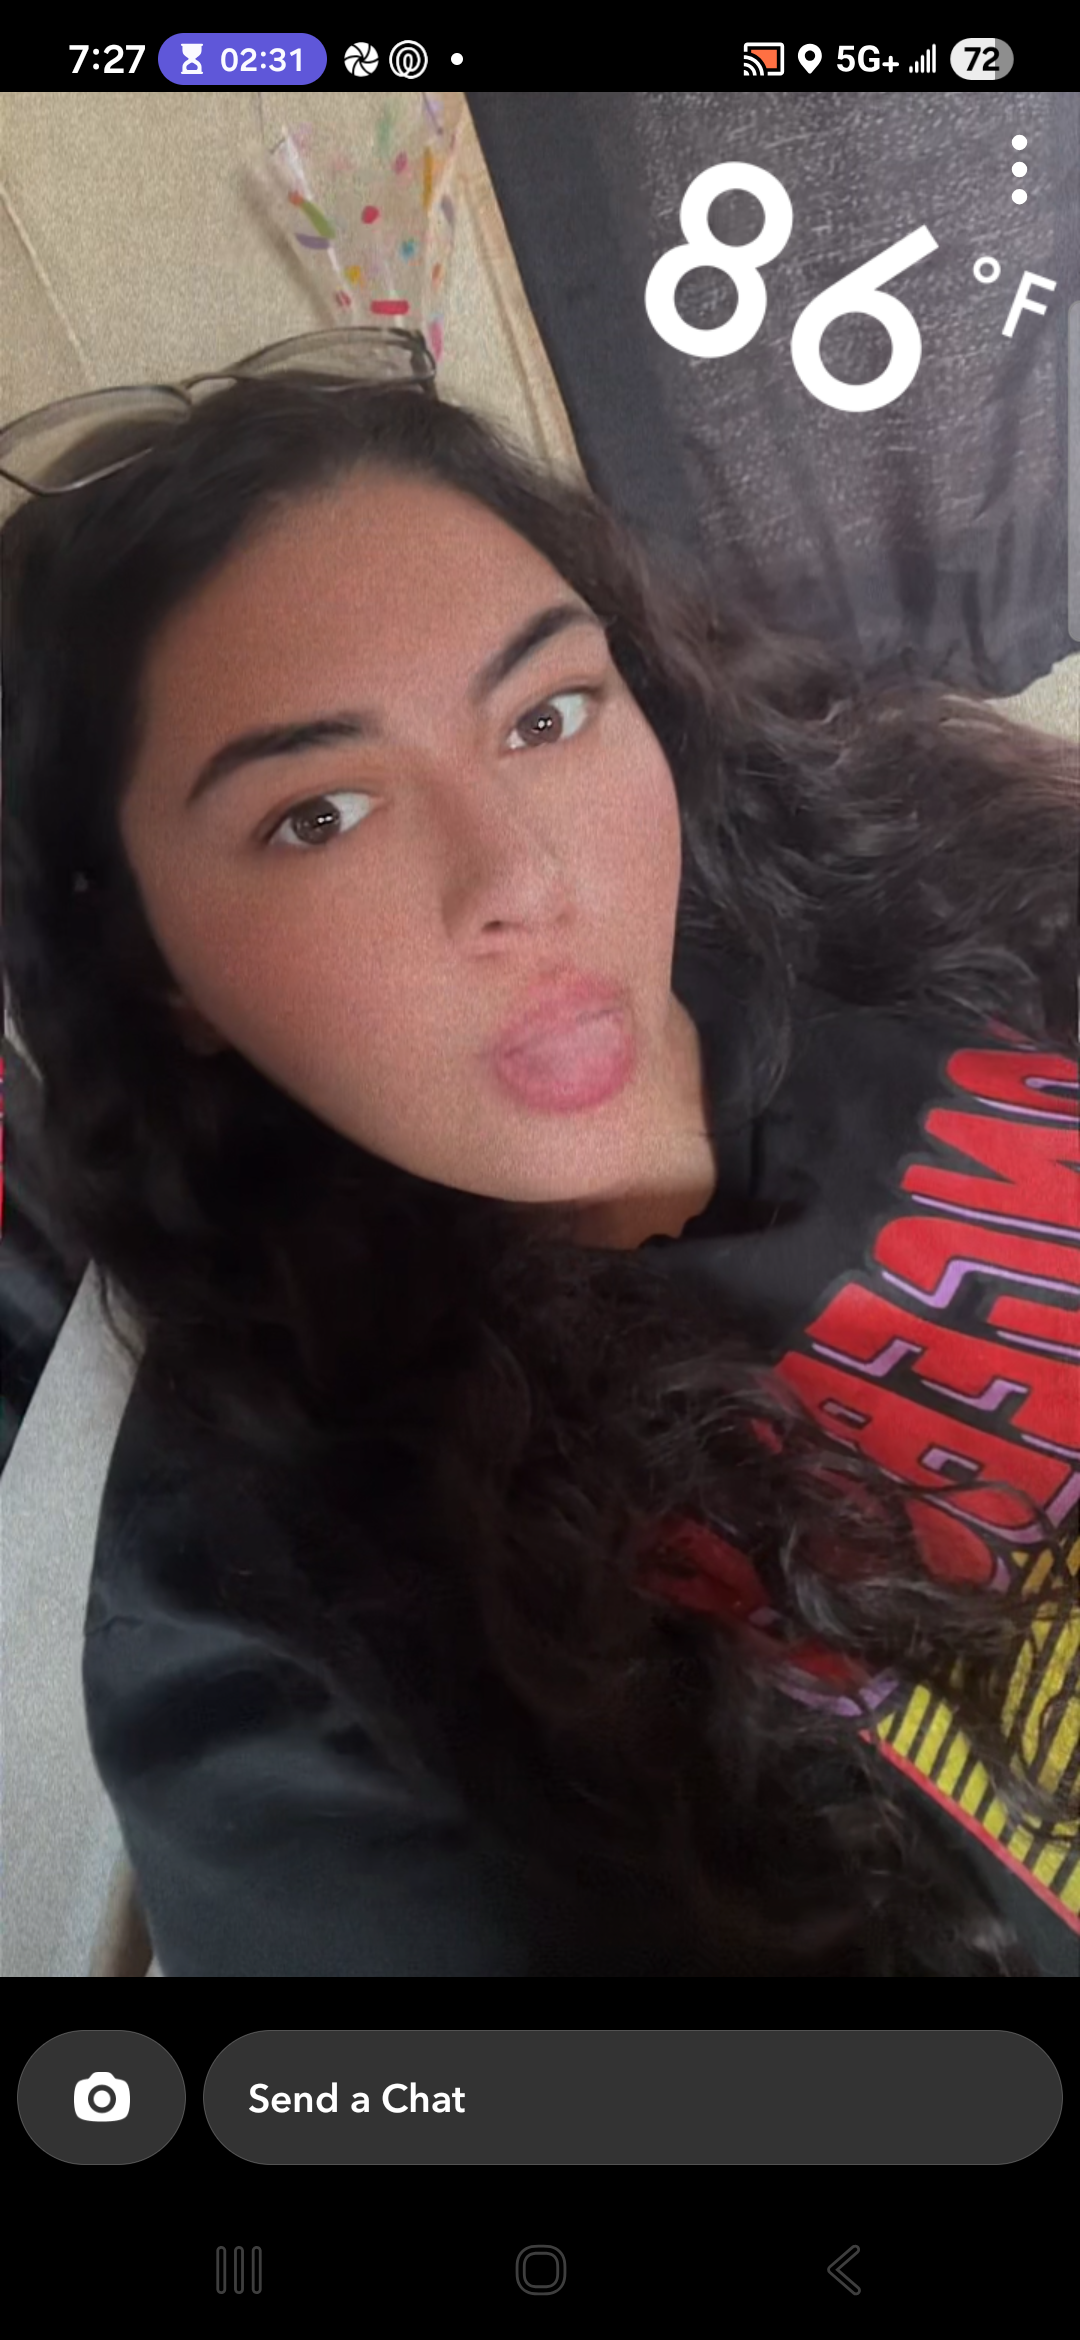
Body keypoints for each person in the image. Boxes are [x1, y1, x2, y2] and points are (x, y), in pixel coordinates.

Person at [3, 358, 1077, 1977]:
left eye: (547, 714)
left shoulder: (928, 903)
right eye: (321, 814)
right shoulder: (279, 1615)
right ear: (157, 970)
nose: (522, 876)